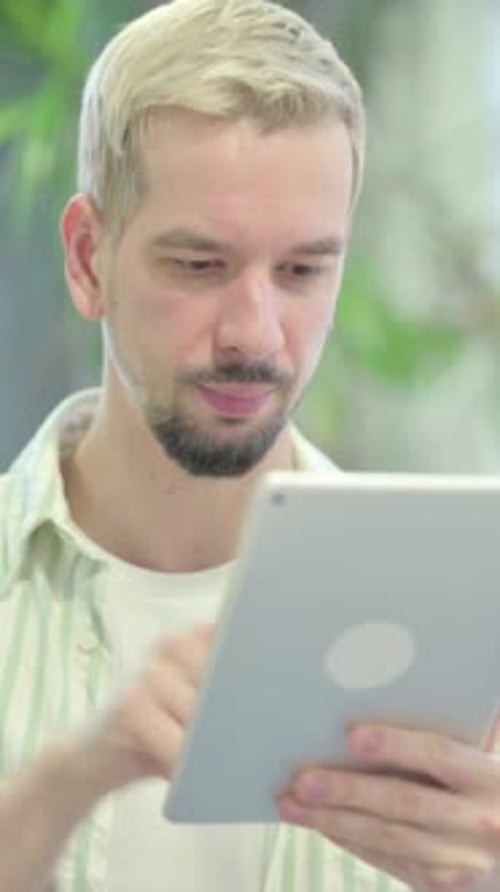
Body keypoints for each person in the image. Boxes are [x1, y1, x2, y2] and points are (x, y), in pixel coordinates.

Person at [1, 0, 500, 890]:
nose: (256, 335)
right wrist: (61, 786)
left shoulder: (472, 640)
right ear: (87, 259)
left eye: (304, 269)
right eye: (199, 265)